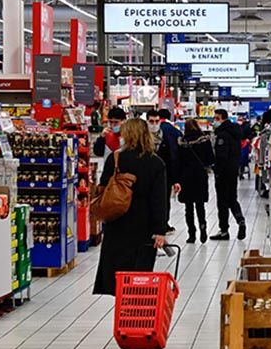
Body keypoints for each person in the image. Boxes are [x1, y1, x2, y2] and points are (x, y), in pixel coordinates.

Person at [92, 118, 171, 296]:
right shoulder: (156, 163)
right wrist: (160, 230)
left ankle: (122, 308)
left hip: (117, 221)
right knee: (139, 275)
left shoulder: (116, 158)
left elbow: (103, 185)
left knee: (118, 272)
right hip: (144, 226)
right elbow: (159, 199)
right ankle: (135, 309)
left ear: (127, 135)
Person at [172, 119, 214, 244]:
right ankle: (203, 227)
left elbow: (177, 162)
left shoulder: (182, 142)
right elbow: (210, 159)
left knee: (188, 207)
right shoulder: (204, 141)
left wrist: (176, 179)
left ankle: (191, 233)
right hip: (200, 175)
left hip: (186, 177)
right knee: (200, 205)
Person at [211, 109, 247, 240]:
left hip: (223, 172)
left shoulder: (223, 135)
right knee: (232, 199)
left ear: (222, 118)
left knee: (222, 202)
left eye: (216, 118)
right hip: (233, 171)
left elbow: (221, 156)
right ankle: (240, 220)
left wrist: (216, 169)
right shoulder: (235, 132)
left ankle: (224, 230)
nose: (214, 121)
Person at [146, 110, 178, 192]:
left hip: (164, 177)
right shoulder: (142, 138)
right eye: (151, 121)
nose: (154, 124)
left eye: (157, 121)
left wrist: (174, 180)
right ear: (147, 122)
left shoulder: (165, 137)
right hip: (147, 178)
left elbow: (170, 158)